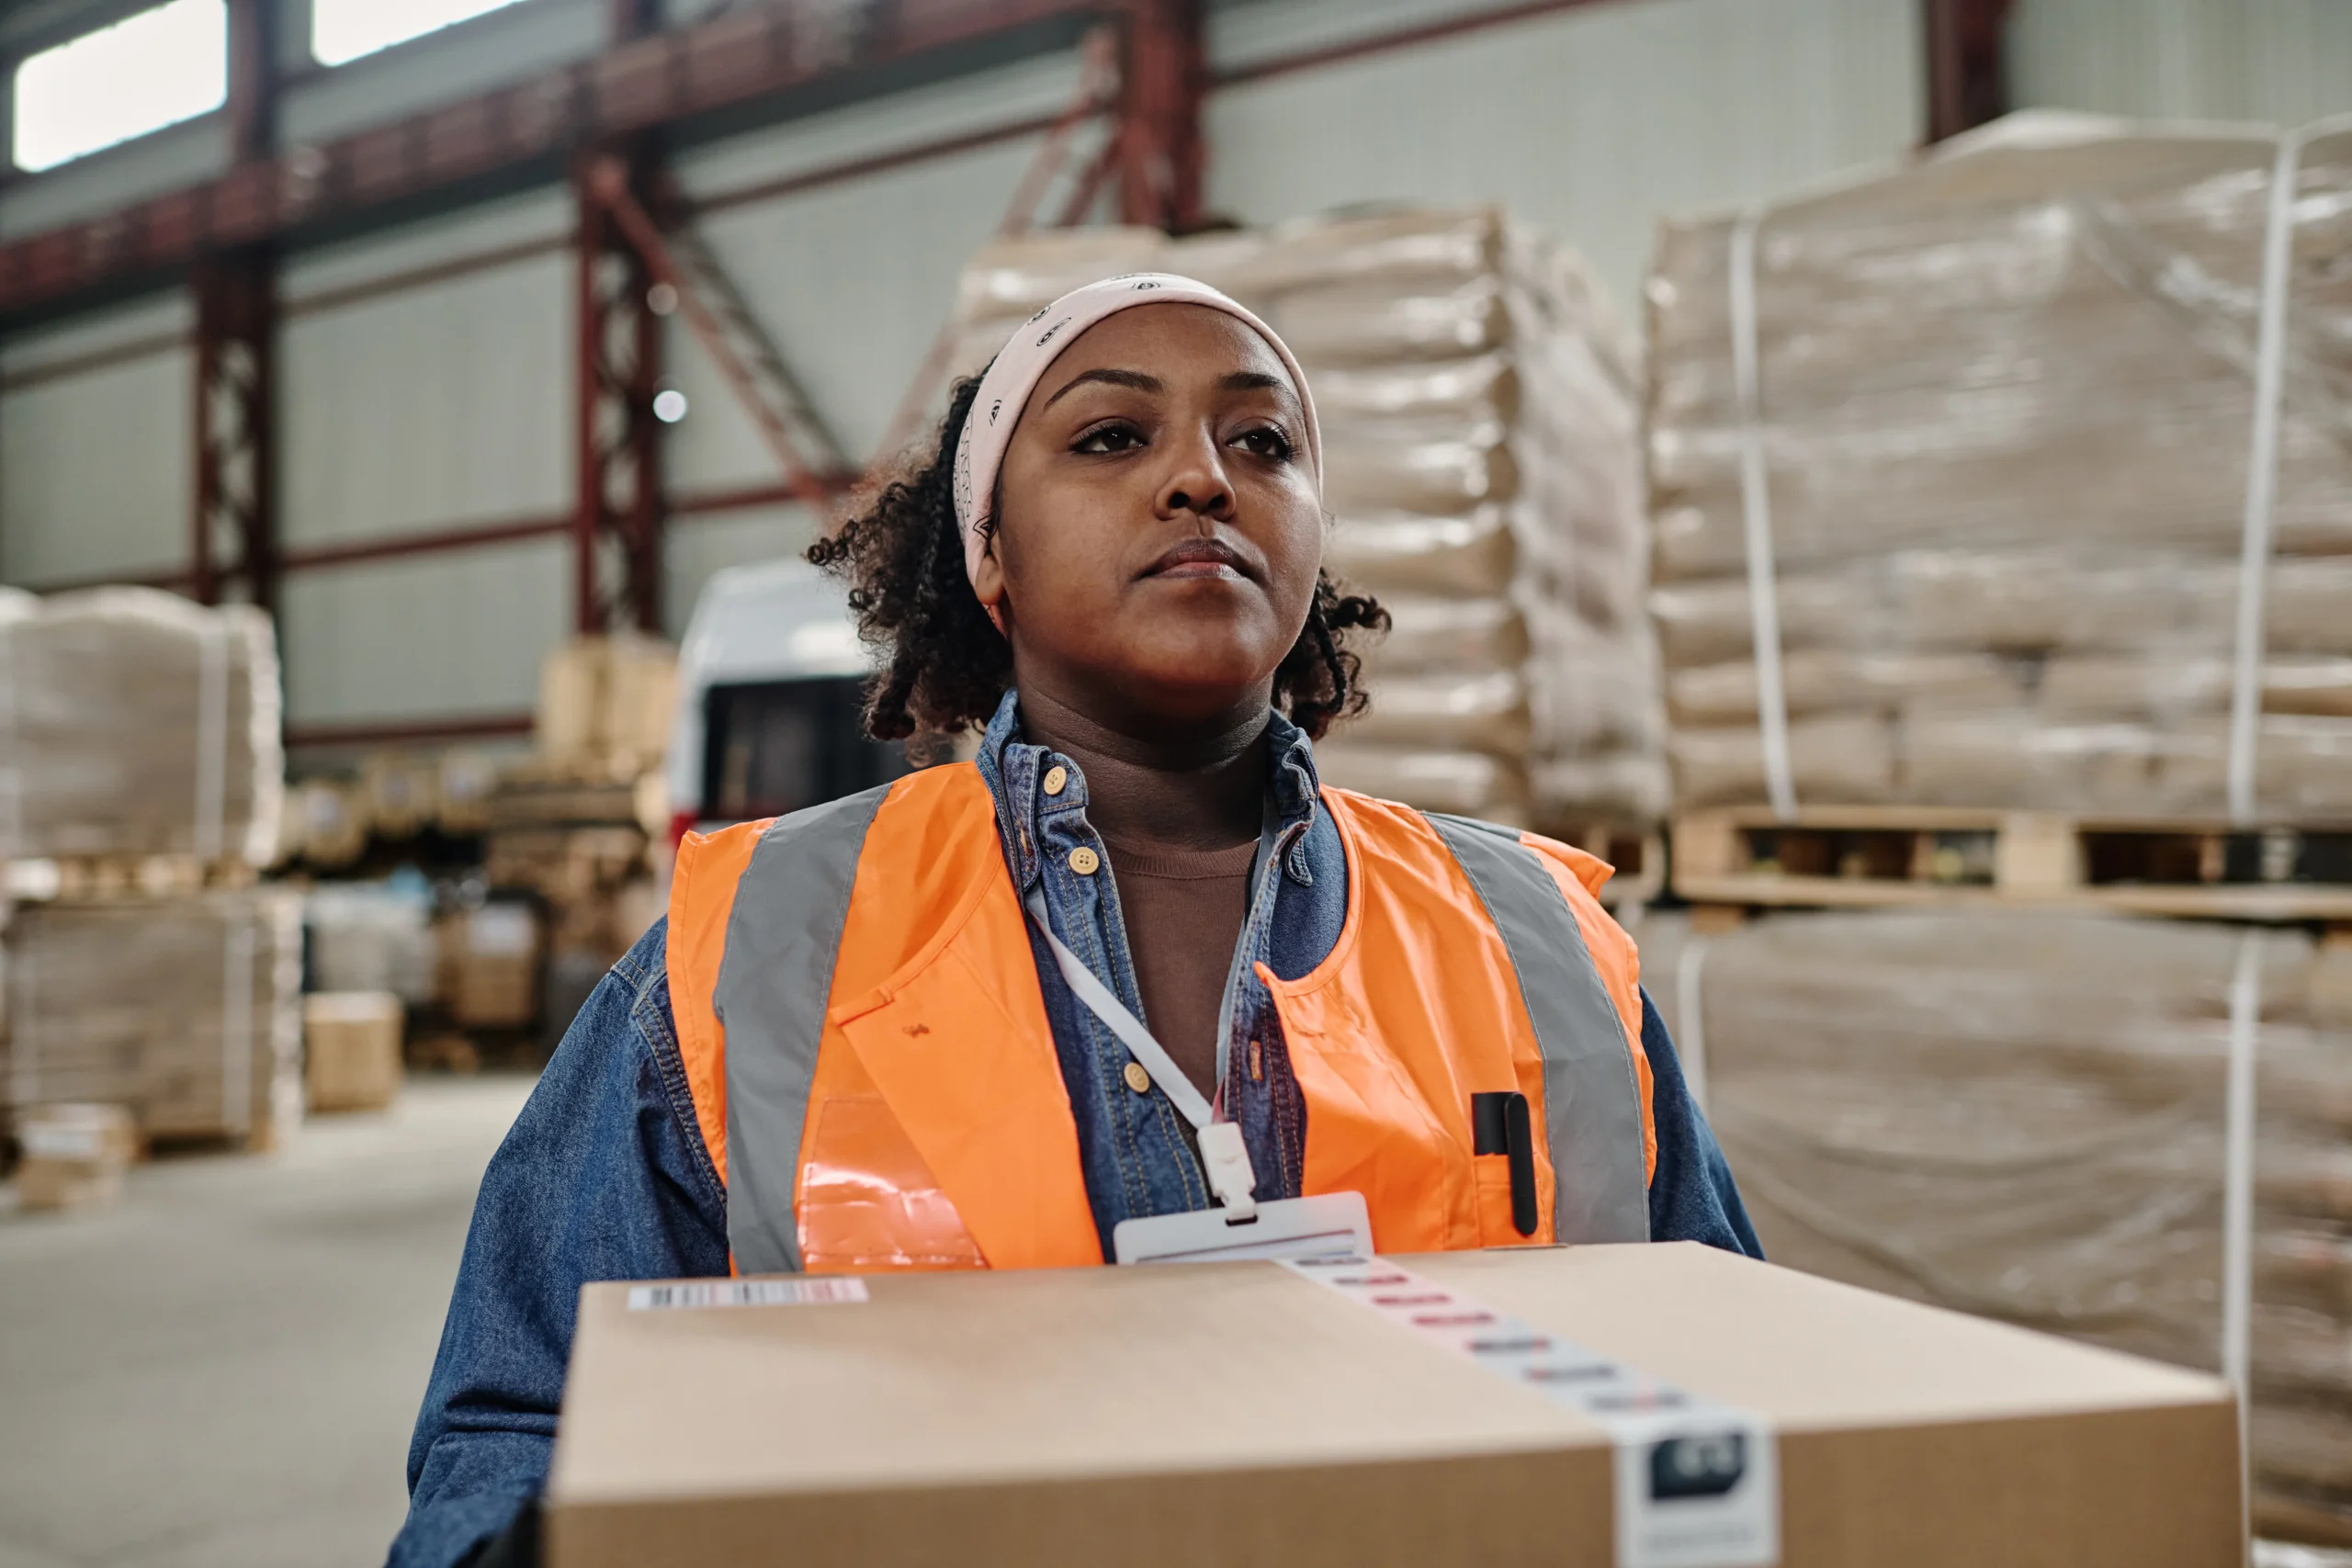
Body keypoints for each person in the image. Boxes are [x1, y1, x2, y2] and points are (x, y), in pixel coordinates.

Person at [390, 275, 1758, 1568]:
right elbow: (517, 1428)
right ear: (990, 553)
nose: (1204, 479)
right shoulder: (758, 944)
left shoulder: (1533, 939)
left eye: (1265, 444)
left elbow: (1748, 1381)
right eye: (1110, 434)